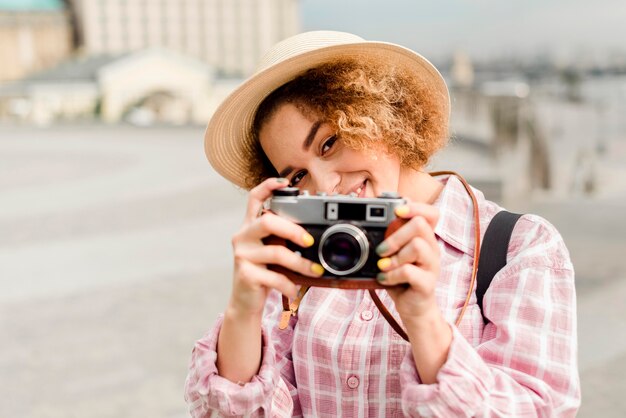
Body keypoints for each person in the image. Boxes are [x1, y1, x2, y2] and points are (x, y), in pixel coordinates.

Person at [184, 31, 580, 417]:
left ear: (381, 117)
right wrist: (243, 309)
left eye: (328, 143)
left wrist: (423, 319)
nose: (325, 186)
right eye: (296, 177)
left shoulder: (520, 248)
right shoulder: (299, 258)